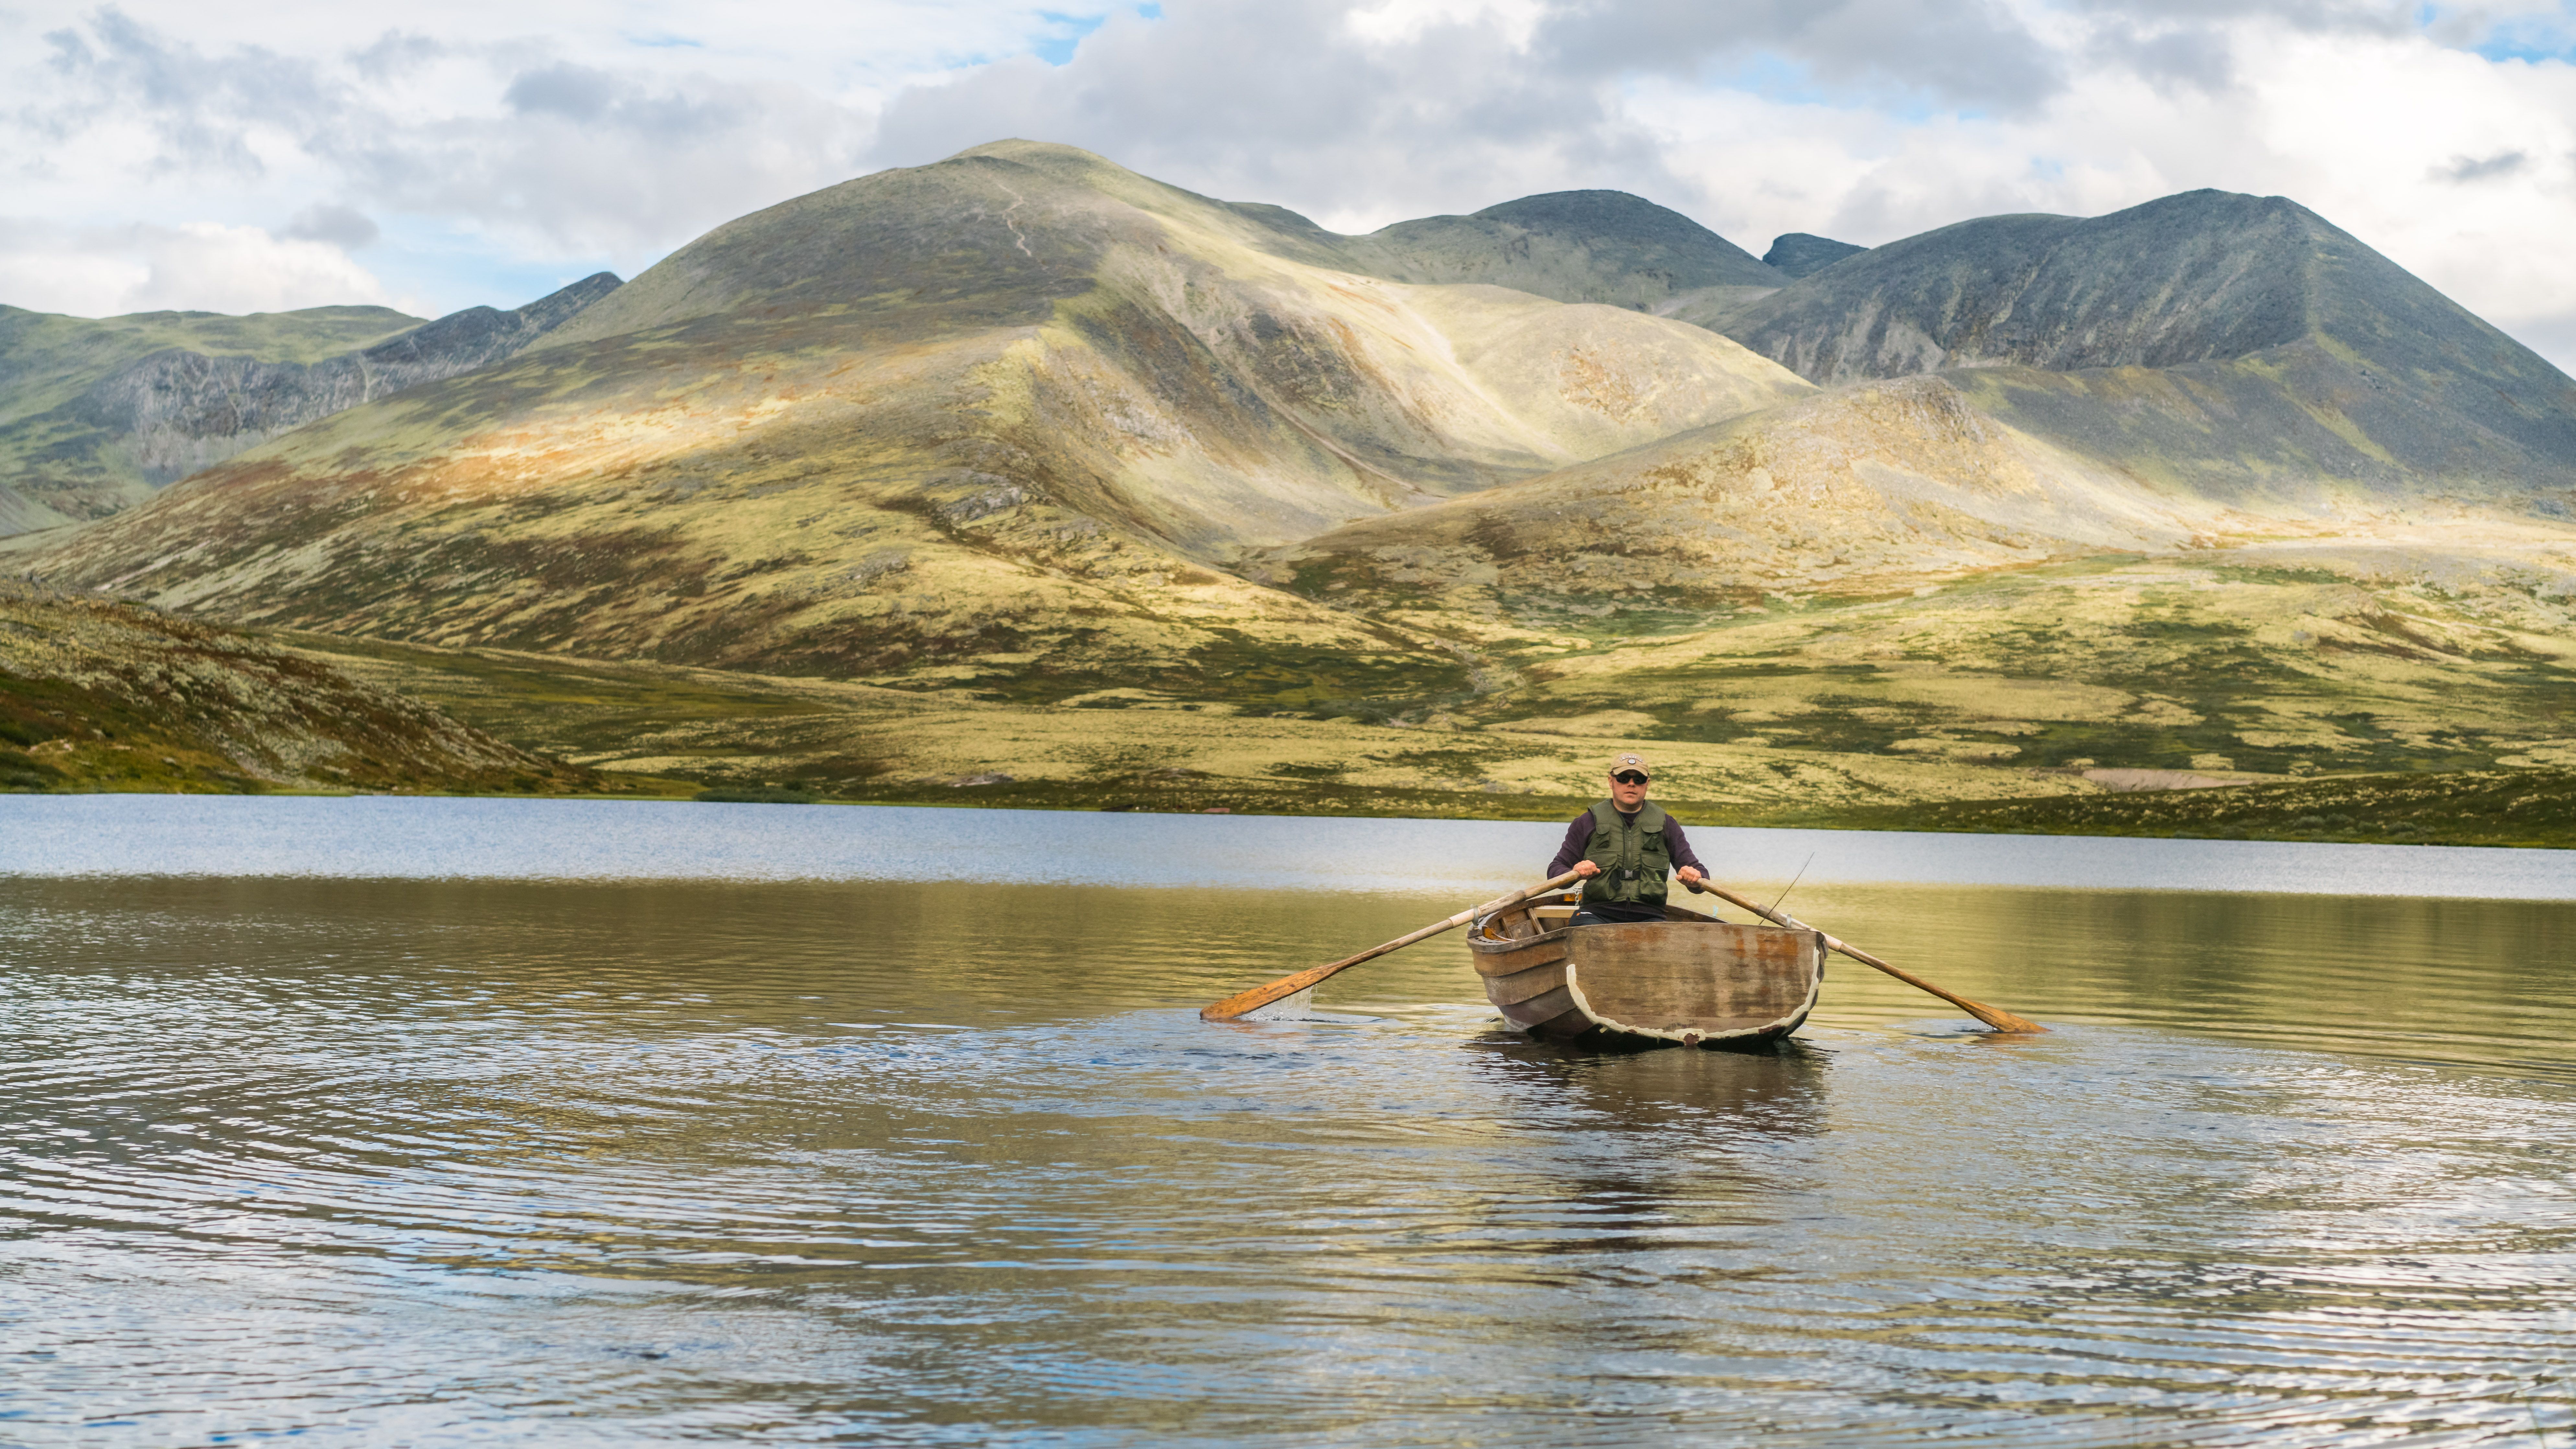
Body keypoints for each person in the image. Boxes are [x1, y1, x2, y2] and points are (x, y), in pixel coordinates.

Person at [1544, 751, 1712, 926]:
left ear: (1647, 784)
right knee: (1584, 934)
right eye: (1623, 778)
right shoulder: (1587, 822)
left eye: (1638, 779)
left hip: (1649, 916)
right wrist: (1575, 873)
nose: (1631, 784)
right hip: (1595, 913)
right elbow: (1555, 871)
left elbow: (1701, 876)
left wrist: (1694, 879)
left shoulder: (1666, 824)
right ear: (1611, 781)